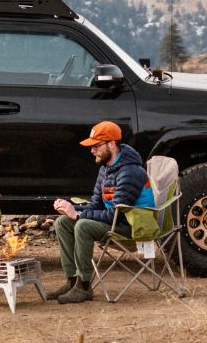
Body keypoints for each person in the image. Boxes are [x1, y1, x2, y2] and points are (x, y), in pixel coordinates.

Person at [47, 120, 154, 304]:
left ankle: (84, 287)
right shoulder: (105, 170)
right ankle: (72, 280)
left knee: (83, 225)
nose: (92, 151)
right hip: (115, 221)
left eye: (96, 146)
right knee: (62, 223)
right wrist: (70, 209)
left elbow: (115, 215)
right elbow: (96, 205)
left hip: (132, 227)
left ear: (111, 144)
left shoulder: (129, 172)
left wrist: (78, 215)